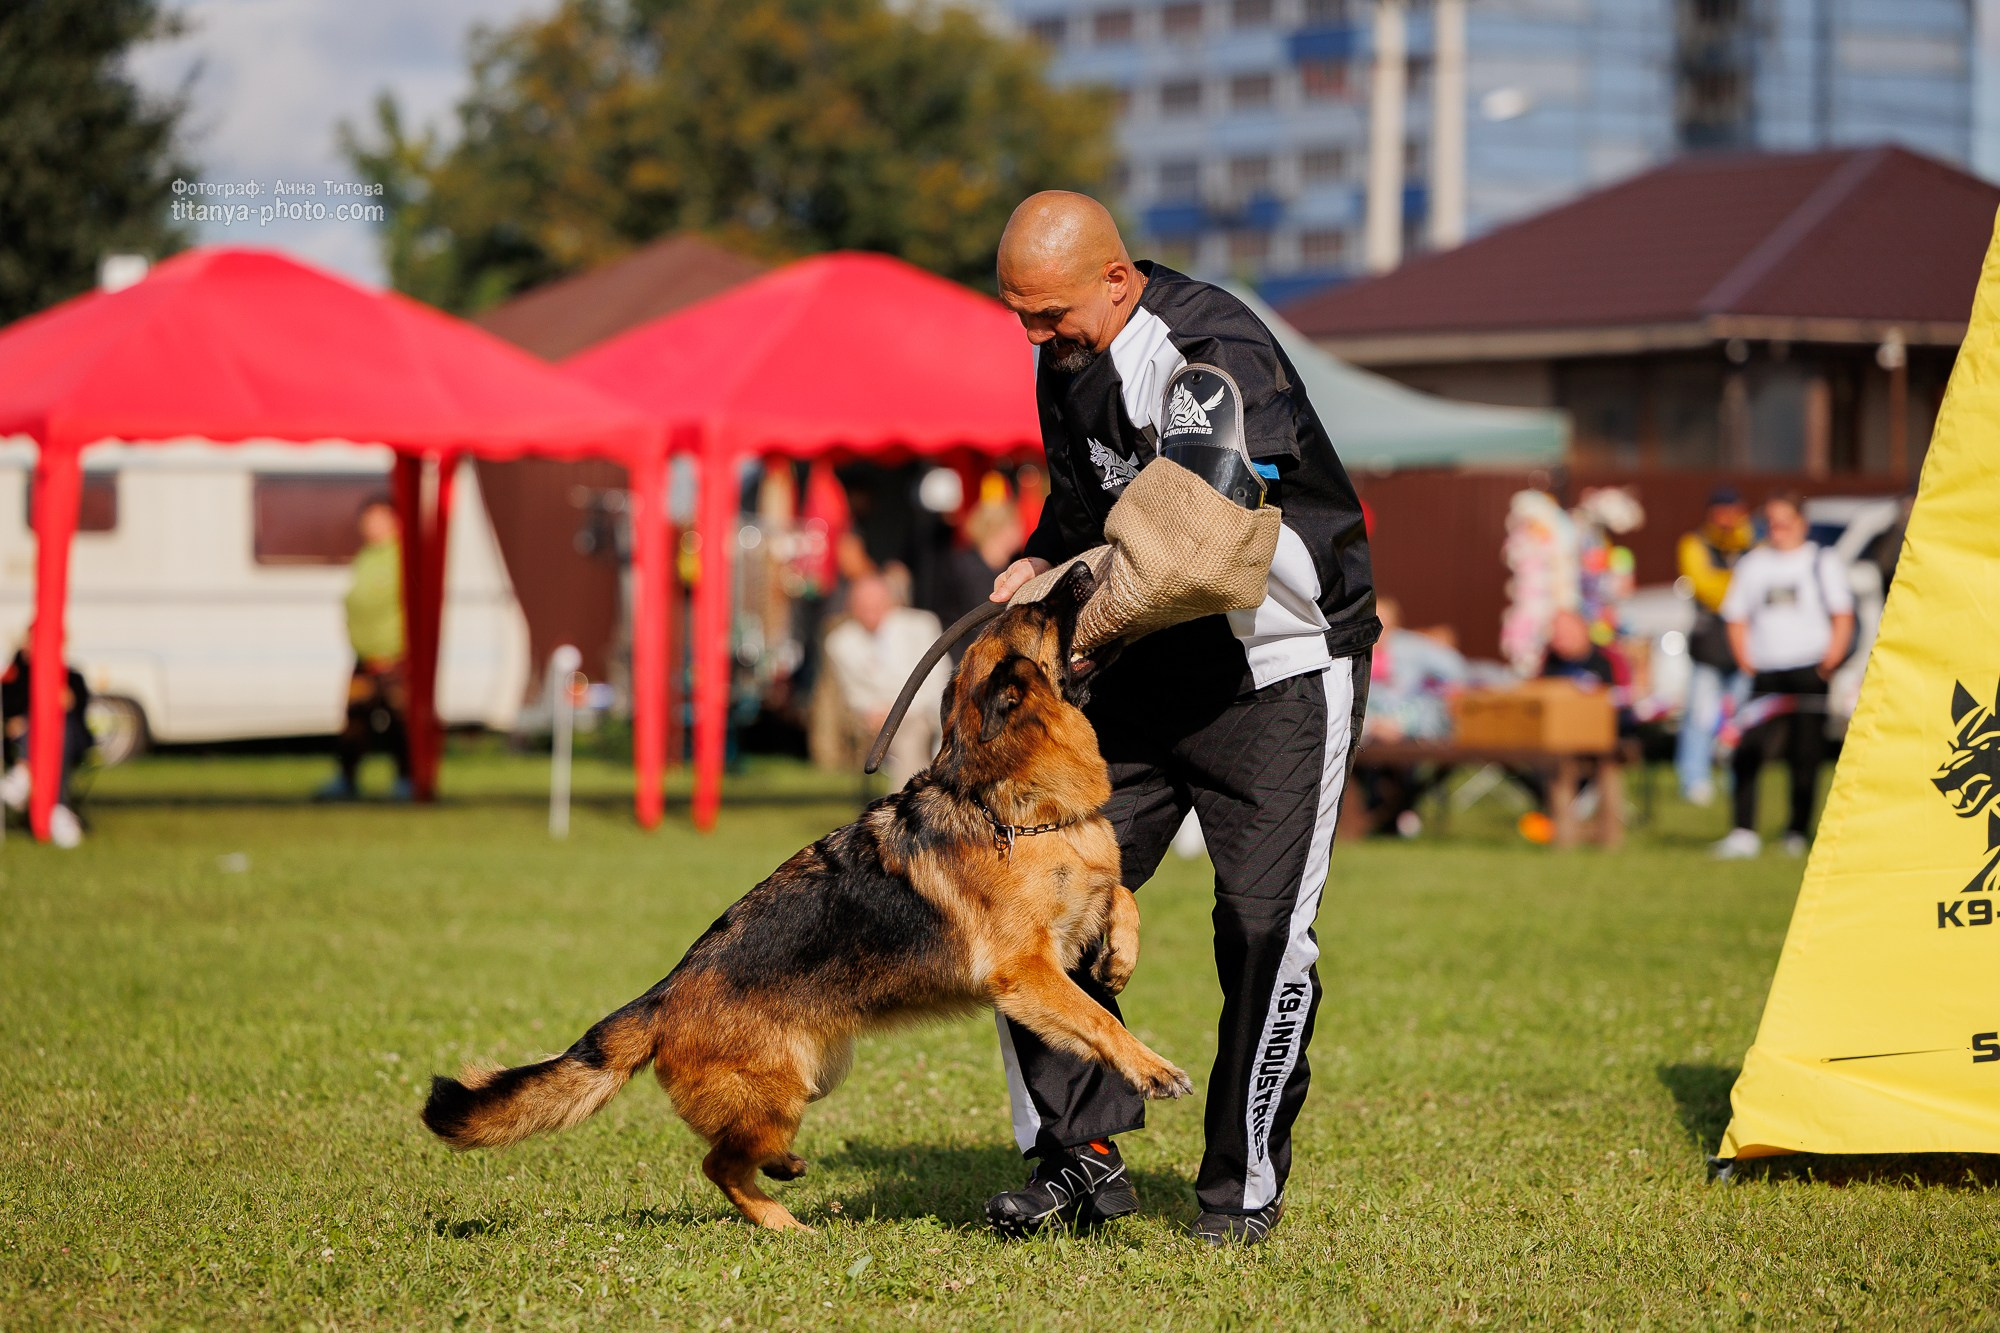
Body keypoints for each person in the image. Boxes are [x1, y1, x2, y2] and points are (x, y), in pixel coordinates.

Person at [984, 191, 1378, 1247]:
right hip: (1141, 676)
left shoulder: (1210, 348)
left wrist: (1079, 625)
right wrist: (1033, 561)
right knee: (1026, 892)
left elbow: (1201, 537)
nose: (1033, 335)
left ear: (1117, 279)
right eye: (1018, 314)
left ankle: (1236, 1191)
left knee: (1260, 932)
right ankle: (1081, 1156)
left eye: (1049, 312)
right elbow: (1088, 506)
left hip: (1280, 673)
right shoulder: (1066, 355)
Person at [1713, 494, 1854, 859]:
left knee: (1805, 755)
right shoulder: (1754, 564)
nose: (1777, 531)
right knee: (1748, 749)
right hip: (1766, 673)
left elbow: (1842, 614)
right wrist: (1745, 659)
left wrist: (1830, 660)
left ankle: (1796, 831)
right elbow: (1736, 616)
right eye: (1771, 523)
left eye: (1784, 522)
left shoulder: (1821, 561)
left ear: (1800, 524)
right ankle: (1743, 830)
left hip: (1809, 669)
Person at [316, 497, 411, 802]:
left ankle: (407, 779)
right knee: (355, 720)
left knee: (400, 721)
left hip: (394, 657)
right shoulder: (367, 556)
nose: (369, 525)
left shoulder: (403, 556)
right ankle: (346, 779)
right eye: (367, 519)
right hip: (364, 656)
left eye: (377, 518)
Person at [822, 574, 948, 787]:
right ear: (851, 608)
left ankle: (906, 799)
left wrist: (898, 711)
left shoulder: (921, 626)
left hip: (922, 710)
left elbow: (937, 682)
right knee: (905, 738)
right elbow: (854, 693)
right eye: (862, 606)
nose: (870, 613)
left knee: (910, 734)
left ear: (889, 603)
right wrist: (872, 711)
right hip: (875, 718)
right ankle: (909, 803)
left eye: (875, 605)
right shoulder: (839, 642)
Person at [1674, 487, 1753, 805]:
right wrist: (1738, 585)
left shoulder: (1751, 543)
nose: (1727, 518)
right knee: (1699, 715)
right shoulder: (1695, 543)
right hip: (1710, 644)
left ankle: (1739, 778)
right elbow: (1705, 587)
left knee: (1741, 718)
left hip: (1745, 644)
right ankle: (1695, 779)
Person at [0, 635, 91, 848]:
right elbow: (7, 704)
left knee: (59, 726)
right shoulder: (18, 676)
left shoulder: (72, 677)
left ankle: (26, 775)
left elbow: (81, 713)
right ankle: (58, 810)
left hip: (68, 742)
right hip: (23, 740)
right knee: (33, 723)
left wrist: (68, 701)